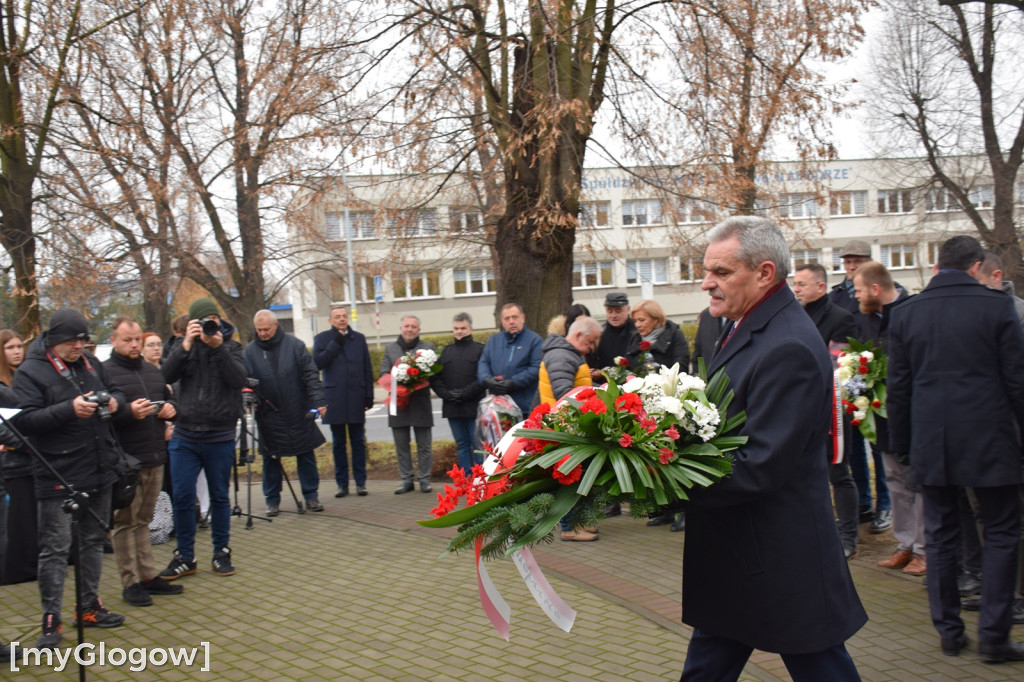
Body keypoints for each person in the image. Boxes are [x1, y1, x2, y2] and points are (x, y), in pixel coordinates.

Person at [682, 217, 865, 680]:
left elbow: (757, 465)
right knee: (706, 668)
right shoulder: (745, 323)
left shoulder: (789, 346)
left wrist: (662, 478)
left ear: (764, 273)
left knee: (823, 668)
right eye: (707, 271)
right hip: (741, 552)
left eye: (721, 272)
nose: (707, 283)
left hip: (779, 558)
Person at [888, 235, 1024, 662]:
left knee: (942, 535)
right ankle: (995, 637)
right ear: (976, 266)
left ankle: (949, 632)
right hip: (991, 440)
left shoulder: (907, 314)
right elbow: (1017, 383)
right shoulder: (997, 306)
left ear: (936, 268)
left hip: (933, 441)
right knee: (1002, 532)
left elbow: (899, 389)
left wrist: (903, 446)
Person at [13, 309, 129, 648]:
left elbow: (116, 390)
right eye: (73, 341)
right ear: (54, 339)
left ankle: (89, 606)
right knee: (55, 549)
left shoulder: (92, 363)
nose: (79, 346)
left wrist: (114, 403)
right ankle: (51, 620)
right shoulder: (31, 371)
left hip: (98, 467)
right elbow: (24, 421)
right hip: (57, 472)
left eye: (84, 340)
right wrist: (69, 409)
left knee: (93, 541)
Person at [159, 297, 246, 580]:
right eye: (204, 320)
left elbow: (238, 379)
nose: (211, 324)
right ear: (192, 323)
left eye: (214, 319)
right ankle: (185, 555)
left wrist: (218, 347)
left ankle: (221, 551)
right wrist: (185, 345)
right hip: (185, 434)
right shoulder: (180, 347)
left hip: (219, 435)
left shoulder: (231, 347)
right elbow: (165, 376)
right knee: (182, 496)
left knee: (219, 496)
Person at [104, 317, 183, 607]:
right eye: (128, 340)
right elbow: (102, 419)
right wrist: (127, 413)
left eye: (137, 338)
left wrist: (172, 410)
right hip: (124, 461)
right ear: (114, 341)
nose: (135, 344)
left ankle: (148, 575)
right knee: (125, 522)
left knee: (145, 520)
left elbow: (175, 407)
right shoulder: (105, 372)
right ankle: (130, 581)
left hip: (155, 456)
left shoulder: (153, 372)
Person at [851, 262, 923, 575]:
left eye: (858, 290)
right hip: (882, 417)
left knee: (918, 484)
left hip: (912, 416)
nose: (855, 296)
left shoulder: (913, 312)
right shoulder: (865, 319)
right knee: (895, 481)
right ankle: (905, 544)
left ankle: (924, 549)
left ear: (875, 289)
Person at [791, 263, 861, 559]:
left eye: (802, 284)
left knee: (838, 473)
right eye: (794, 284)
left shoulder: (841, 318)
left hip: (834, 411)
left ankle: (848, 535)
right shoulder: (795, 316)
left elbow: (840, 368)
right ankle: (818, 530)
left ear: (821, 287)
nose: (796, 289)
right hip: (801, 406)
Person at [244, 310, 327, 515]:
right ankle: (272, 500)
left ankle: (311, 496)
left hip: (298, 409)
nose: (262, 333)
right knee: (270, 459)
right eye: (259, 330)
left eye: (266, 329)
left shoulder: (295, 346)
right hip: (268, 414)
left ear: (275, 326)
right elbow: (245, 383)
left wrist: (319, 402)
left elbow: (310, 375)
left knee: (305, 454)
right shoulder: (249, 352)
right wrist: (250, 400)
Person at [537, 315, 602, 542]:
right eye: (590, 341)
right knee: (568, 478)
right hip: (561, 427)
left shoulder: (566, 354)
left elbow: (577, 387)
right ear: (577, 335)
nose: (591, 347)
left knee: (575, 477)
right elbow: (565, 394)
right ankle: (569, 527)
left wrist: (600, 388)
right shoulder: (562, 355)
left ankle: (577, 523)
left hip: (567, 427)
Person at [313, 304, 374, 498]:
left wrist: (369, 396)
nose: (341, 319)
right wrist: (336, 341)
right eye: (337, 316)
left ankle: (361, 483)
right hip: (335, 397)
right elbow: (319, 363)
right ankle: (342, 484)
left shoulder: (359, 339)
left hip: (356, 396)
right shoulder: (322, 338)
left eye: (344, 316)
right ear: (330, 320)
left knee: (358, 441)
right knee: (338, 443)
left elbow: (367, 368)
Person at [381, 315, 435, 494]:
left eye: (413, 327)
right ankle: (406, 480)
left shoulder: (428, 348)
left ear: (418, 330)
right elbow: (383, 372)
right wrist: (398, 380)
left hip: (420, 403)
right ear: (401, 328)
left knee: (424, 445)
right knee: (401, 445)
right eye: (406, 326)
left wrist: (416, 378)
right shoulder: (390, 349)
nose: (409, 329)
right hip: (398, 403)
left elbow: (432, 373)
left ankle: (424, 479)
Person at [0, 329, 36, 585]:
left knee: (31, 519)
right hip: (12, 463)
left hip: (30, 461)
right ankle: (15, 569)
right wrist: (27, 445)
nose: (16, 351)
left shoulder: (24, 380)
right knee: (16, 521)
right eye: (9, 347)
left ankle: (32, 564)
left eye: (18, 346)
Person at [430, 313, 485, 475]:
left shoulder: (480, 350)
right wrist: (446, 394)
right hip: (452, 407)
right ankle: (467, 479)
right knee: (461, 445)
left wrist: (464, 393)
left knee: (477, 445)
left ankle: (480, 479)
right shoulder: (445, 352)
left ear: (471, 329)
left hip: (473, 407)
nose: (459, 331)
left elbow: (482, 377)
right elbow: (435, 379)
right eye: (456, 328)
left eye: (463, 328)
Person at [477, 302, 542, 416]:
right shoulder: (494, 340)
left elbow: (536, 368)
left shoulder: (534, 340)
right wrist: (487, 380)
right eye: (507, 318)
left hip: (525, 406)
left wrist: (513, 383)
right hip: (498, 407)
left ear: (523, 318)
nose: (511, 321)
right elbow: (483, 363)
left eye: (515, 317)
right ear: (502, 321)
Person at [625, 299, 689, 373]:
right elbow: (628, 369)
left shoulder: (675, 335)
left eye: (642, 320)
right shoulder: (635, 338)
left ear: (656, 319)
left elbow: (680, 366)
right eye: (635, 321)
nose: (637, 325)